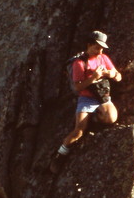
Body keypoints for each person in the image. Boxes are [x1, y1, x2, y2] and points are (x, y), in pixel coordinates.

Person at [50, 30, 122, 172]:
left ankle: (94, 119)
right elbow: (77, 87)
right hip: (86, 98)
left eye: (102, 48)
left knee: (111, 118)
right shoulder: (79, 63)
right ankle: (60, 155)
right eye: (97, 47)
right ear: (89, 45)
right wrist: (93, 78)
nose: (100, 51)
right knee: (78, 132)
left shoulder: (103, 58)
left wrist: (110, 73)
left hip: (102, 97)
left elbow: (118, 77)